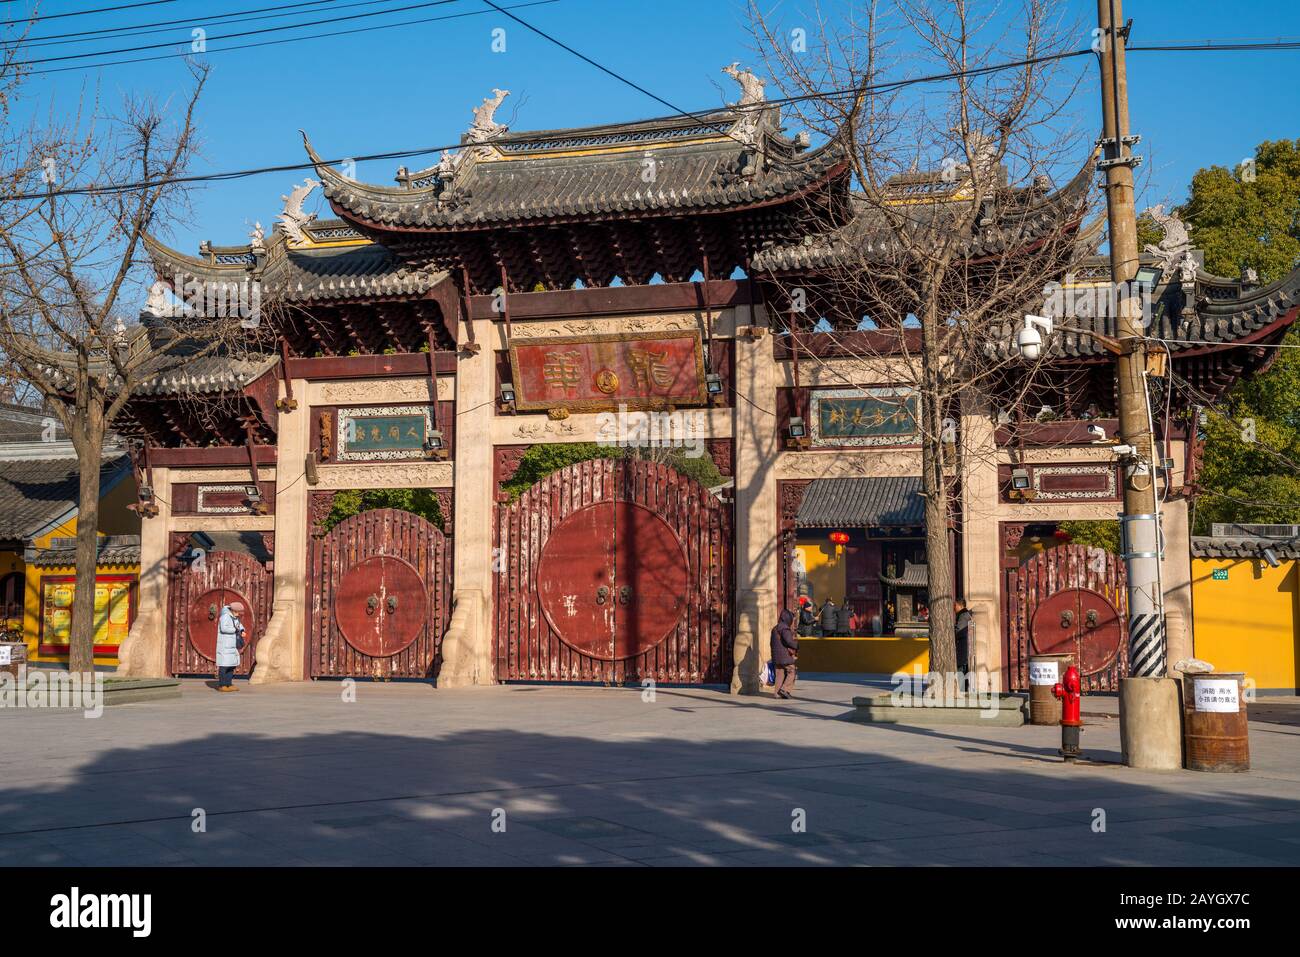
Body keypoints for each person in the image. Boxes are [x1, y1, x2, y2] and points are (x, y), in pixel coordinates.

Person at [215, 601, 247, 693]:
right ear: (233, 610)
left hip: (232, 645)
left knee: (231, 666)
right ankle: (222, 685)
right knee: (224, 666)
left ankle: (229, 684)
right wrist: (235, 630)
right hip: (225, 645)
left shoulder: (234, 617)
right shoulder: (225, 616)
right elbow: (224, 628)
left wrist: (242, 630)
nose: (239, 614)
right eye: (238, 612)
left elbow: (239, 625)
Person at [770, 608, 799, 699]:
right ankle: (785, 689)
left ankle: (777, 693)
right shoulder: (785, 628)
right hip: (784, 655)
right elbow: (789, 641)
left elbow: (771, 643)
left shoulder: (775, 628)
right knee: (792, 670)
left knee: (779, 673)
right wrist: (796, 646)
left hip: (776, 655)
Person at [954, 598, 973, 677]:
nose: (954, 608)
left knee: (960, 675)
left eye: (955, 605)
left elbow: (958, 632)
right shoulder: (964, 615)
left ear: (960, 606)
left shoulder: (963, 616)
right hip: (963, 652)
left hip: (962, 652)